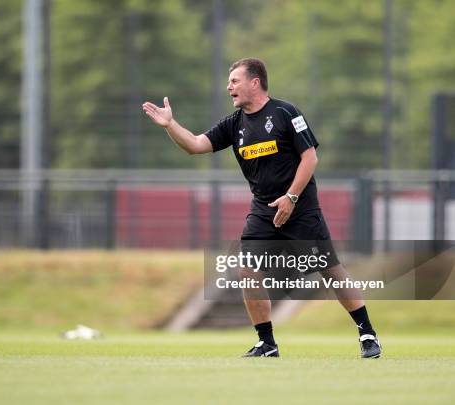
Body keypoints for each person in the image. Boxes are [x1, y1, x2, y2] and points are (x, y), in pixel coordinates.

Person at [142, 57, 381, 359]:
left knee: (330, 270)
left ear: (254, 82)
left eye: (235, 81)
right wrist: (169, 125)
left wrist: (291, 198)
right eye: (229, 81)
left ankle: (367, 333)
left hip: (301, 207)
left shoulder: (285, 112)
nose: (229, 86)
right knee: (247, 270)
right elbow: (194, 145)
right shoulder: (233, 124)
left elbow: (310, 159)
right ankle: (266, 343)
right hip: (263, 210)